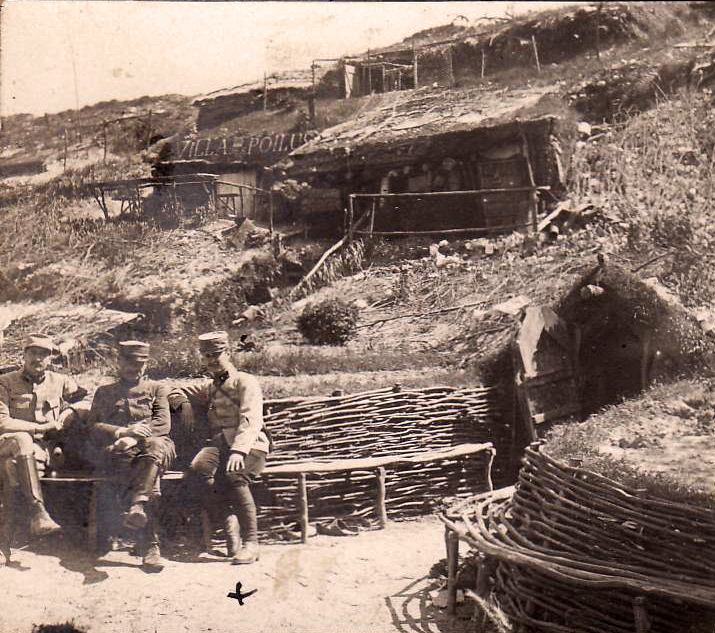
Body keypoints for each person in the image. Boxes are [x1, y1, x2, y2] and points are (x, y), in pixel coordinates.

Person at [169, 331, 269, 565]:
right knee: (197, 471)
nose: (212, 360)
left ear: (228, 352)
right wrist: (184, 406)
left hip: (251, 445)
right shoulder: (210, 386)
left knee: (234, 474)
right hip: (220, 445)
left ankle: (251, 543)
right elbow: (173, 390)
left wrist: (238, 450)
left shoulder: (245, 381)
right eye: (206, 356)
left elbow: (251, 419)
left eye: (216, 355)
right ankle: (228, 518)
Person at [0, 333, 88, 566]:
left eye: (43, 354)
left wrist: (71, 412)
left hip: (42, 451)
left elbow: (86, 398)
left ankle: (5, 544)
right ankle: (38, 513)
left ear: (51, 358)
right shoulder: (5, 382)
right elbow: (2, 422)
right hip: (8, 442)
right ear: (24, 355)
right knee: (20, 440)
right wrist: (41, 427)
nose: (37, 359)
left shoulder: (60, 381)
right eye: (32, 353)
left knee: (13, 467)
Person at [87, 340, 175, 572]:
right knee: (143, 470)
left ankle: (138, 509)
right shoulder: (105, 392)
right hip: (121, 451)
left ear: (146, 364)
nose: (134, 367)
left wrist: (134, 438)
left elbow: (162, 423)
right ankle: (150, 545)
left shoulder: (158, 389)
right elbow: (94, 425)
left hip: (157, 446)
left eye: (139, 363)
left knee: (154, 447)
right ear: (119, 361)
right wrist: (122, 433)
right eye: (128, 362)